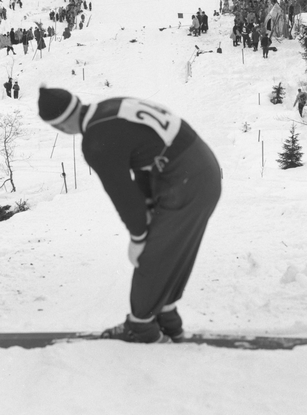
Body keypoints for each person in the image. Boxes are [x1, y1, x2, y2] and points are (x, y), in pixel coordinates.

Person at [39, 87, 222, 343]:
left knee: (152, 254)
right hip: (199, 168)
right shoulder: (108, 108)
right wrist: (148, 206)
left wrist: (138, 236)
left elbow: (123, 194)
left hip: (184, 179)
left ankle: (141, 328)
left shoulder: (95, 140)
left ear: (59, 125)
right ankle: (167, 320)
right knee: (171, 249)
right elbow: (145, 154)